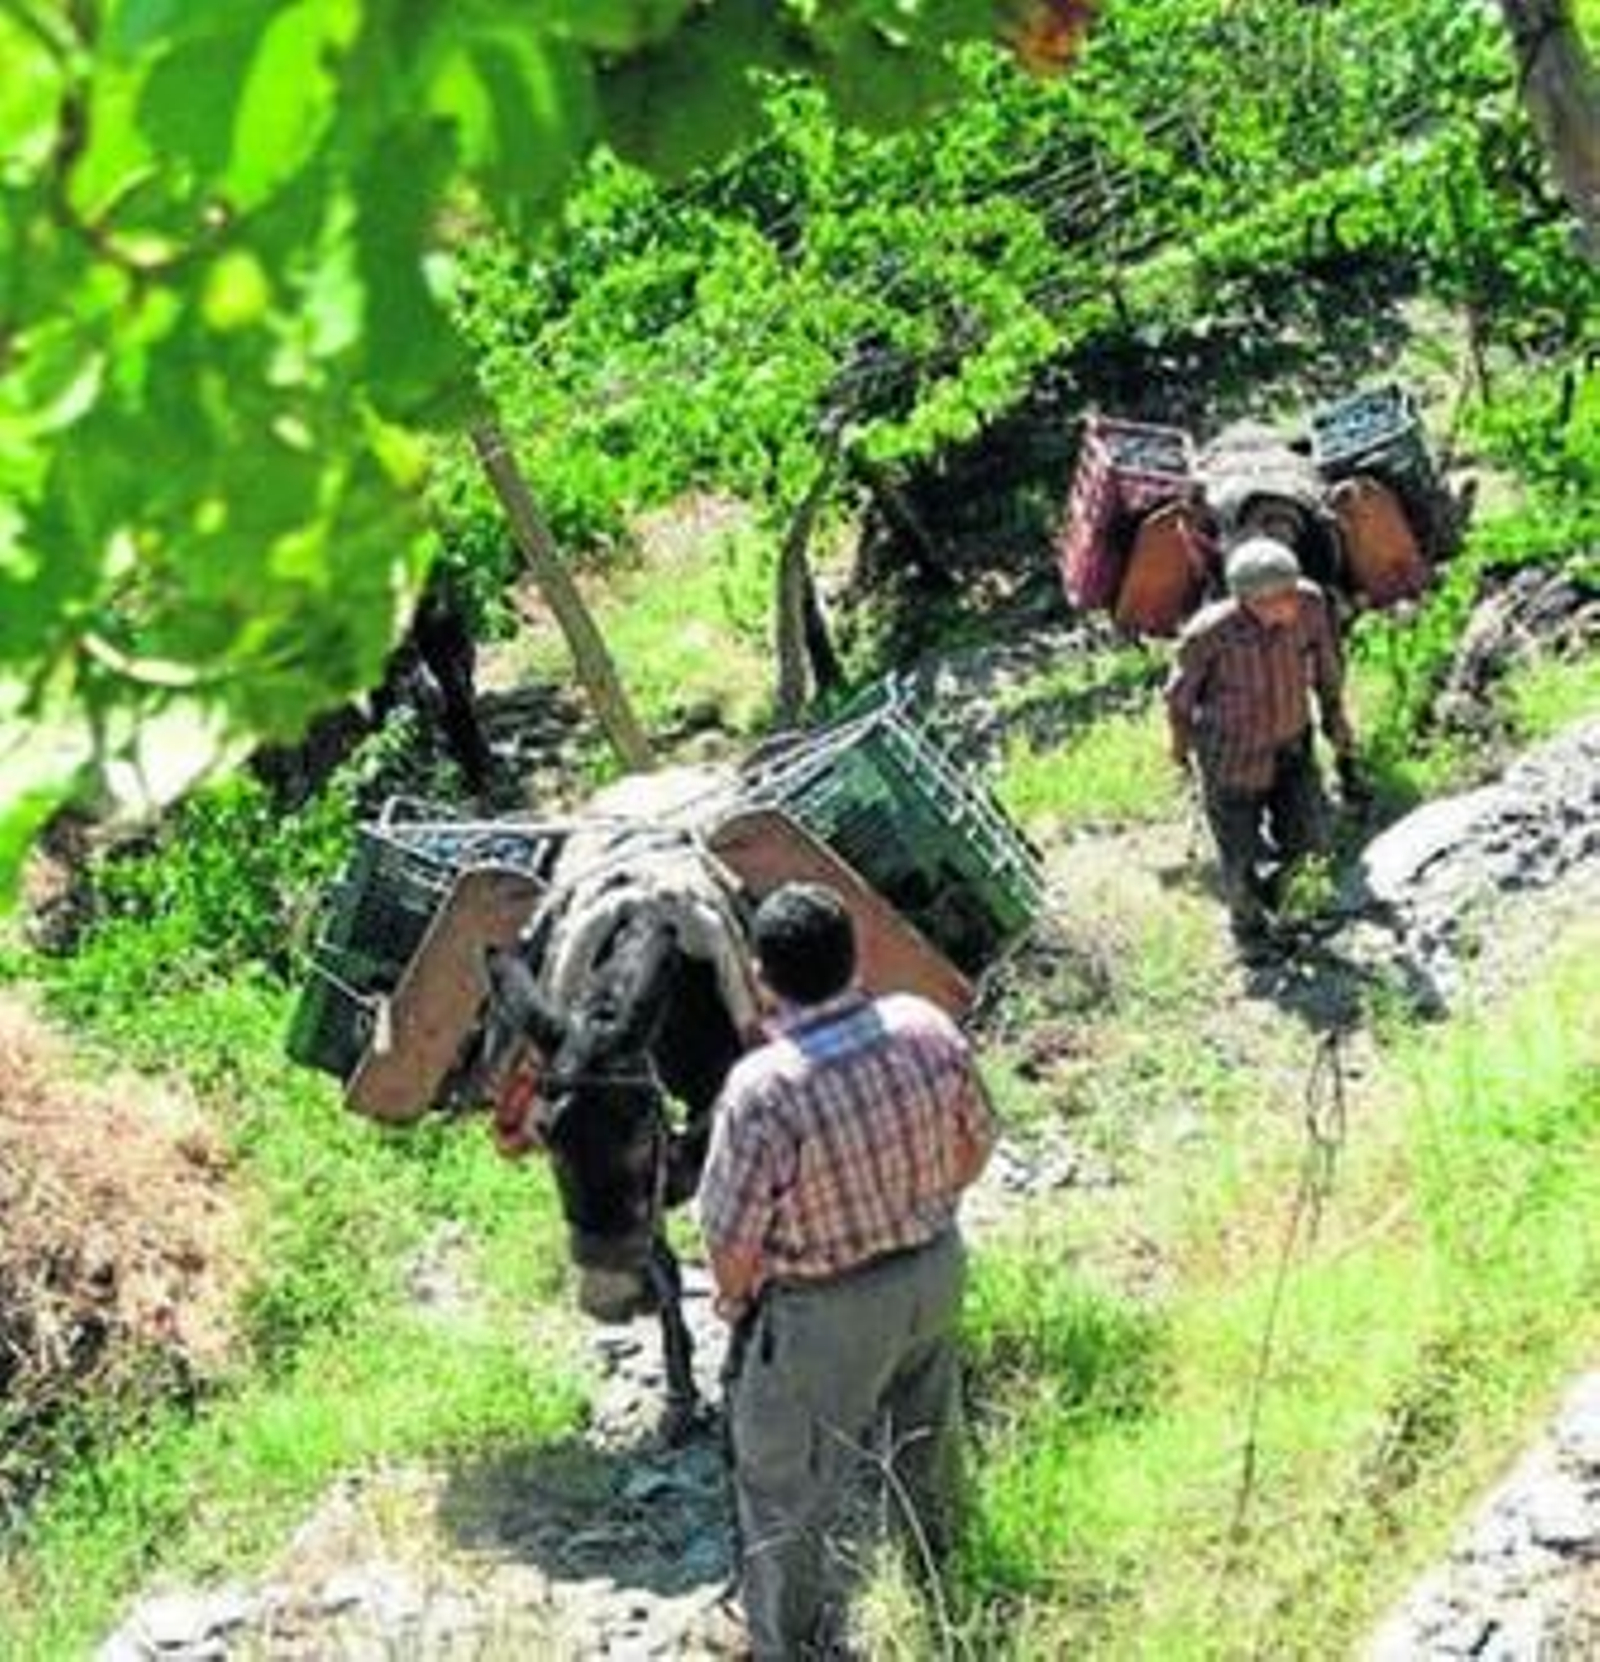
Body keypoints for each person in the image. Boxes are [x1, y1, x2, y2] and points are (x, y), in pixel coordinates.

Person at [697, 883, 996, 1660]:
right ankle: (947, 1590)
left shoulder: (762, 1090)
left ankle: (786, 1645)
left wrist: (735, 1303)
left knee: (784, 1487)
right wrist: (922, 1209)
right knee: (929, 1439)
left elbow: (730, 1243)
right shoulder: (926, 1028)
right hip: (933, 1271)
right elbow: (977, 1143)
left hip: (822, 1313)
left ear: (761, 975)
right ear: (856, 952)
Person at [1165, 536, 1357, 963]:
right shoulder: (1209, 634)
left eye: (1290, 591)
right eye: (1273, 600)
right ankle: (1250, 932)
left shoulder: (1310, 605)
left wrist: (1335, 718)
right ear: (1245, 599)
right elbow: (1178, 700)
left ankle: (1293, 915)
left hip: (1292, 745)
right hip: (1231, 756)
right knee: (1239, 857)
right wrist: (1179, 751)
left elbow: (1327, 665)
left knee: (1311, 837)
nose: (1287, 606)